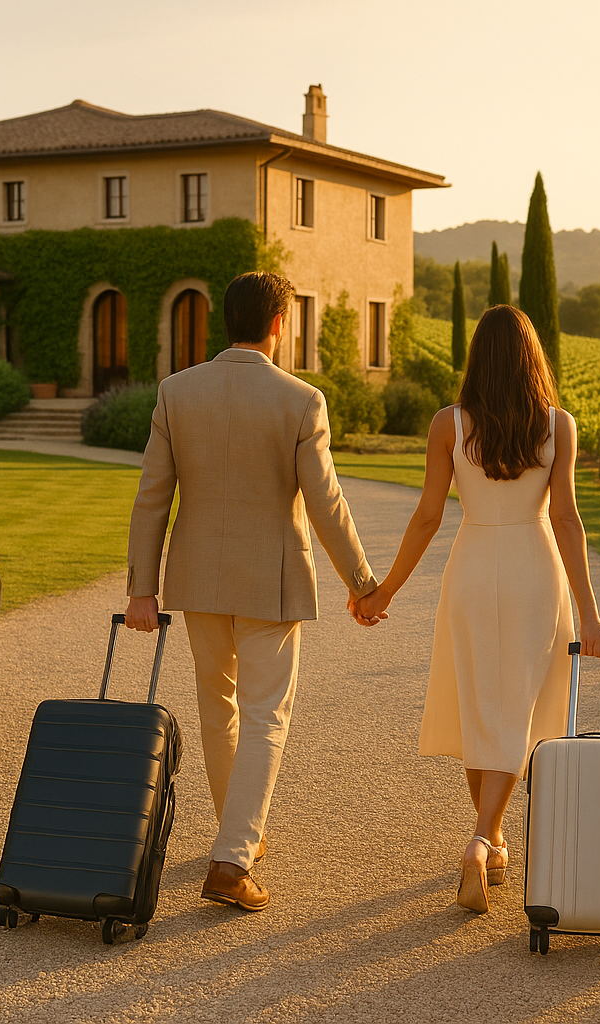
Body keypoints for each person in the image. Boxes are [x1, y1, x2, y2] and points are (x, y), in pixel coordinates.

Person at [124, 271, 382, 913]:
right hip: (271, 581)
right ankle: (234, 856)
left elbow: (151, 499)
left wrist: (141, 591)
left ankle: (239, 832)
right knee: (267, 715)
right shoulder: (302, 400)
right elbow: (325, 501)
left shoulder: (176, 392)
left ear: (227, 322)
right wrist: (362, 582)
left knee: (221, 709)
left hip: (197, 583)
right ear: (278, 324)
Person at [354, 305, 600, 914]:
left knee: (479, 704)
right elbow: (570, 522)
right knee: (515, 709)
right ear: (532, 359)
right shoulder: (558, 425)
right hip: (533, 567)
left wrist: (384, 590)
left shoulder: (449, 424)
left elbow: (426, 517)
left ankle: (488, 839)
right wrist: (592, 614)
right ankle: (483, 839)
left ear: (477, 359)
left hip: (471, 568)